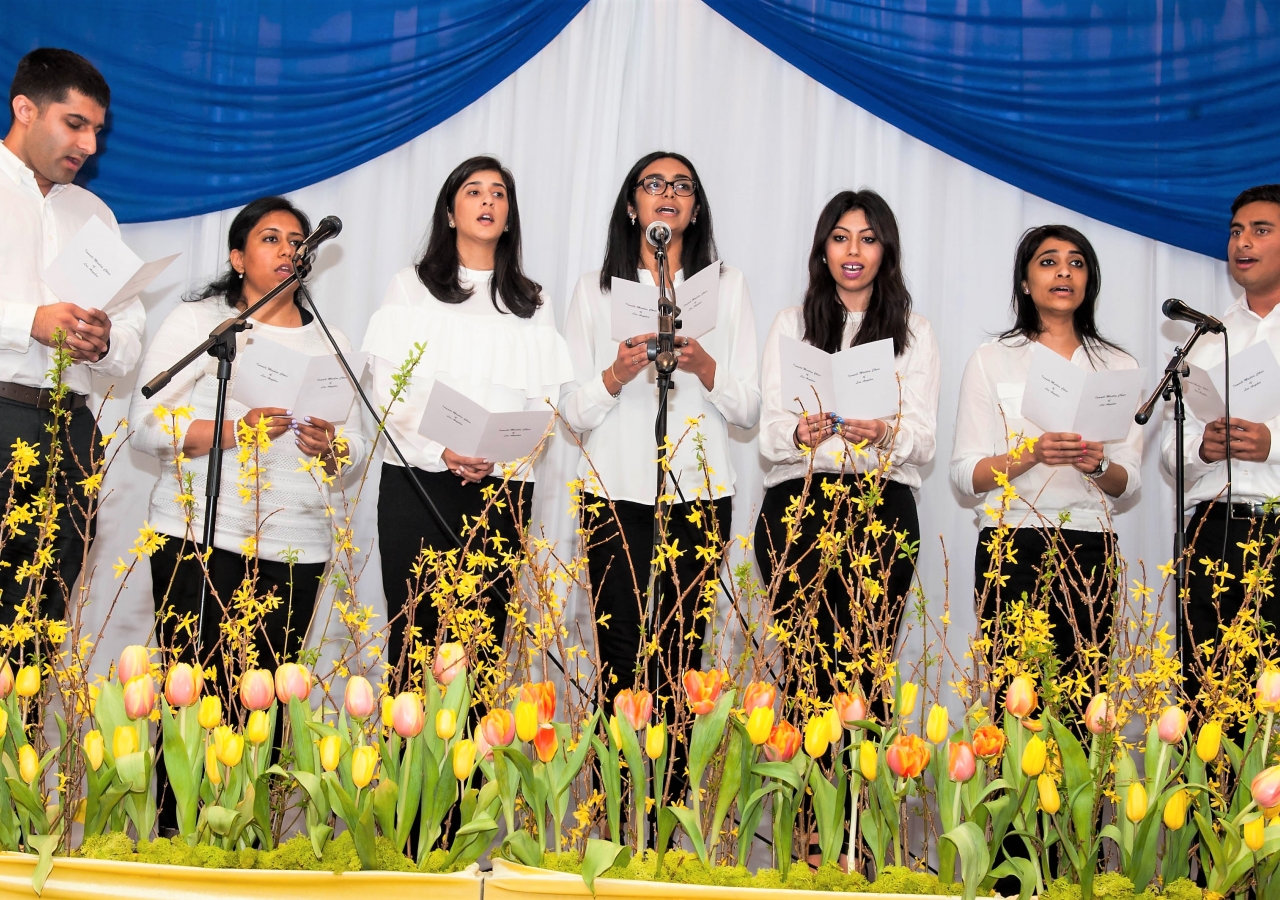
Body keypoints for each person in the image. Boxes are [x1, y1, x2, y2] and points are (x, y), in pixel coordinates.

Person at [560, 151, 760, 763]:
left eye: (681, 186)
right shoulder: (596, 291)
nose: (667, 194)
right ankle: (619, 815)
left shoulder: (725, 288)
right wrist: (616, 375)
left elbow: (749, 409)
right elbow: (571, 409)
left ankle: (666, 815)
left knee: (679, 654)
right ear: (632, 206)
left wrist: (704, 367)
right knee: (620, 655)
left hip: (698, 495)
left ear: (695, 209)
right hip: (613, 494)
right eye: (653, 184)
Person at [131, 195, 370, 672]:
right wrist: (236, 430)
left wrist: (332, 447)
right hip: (197, 536)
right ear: (238, 258)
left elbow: (356, 447)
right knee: (192, 702)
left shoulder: (332, 340)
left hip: (295, 546)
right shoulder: (203, 323)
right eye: (271, 239)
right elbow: (146, 424)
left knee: (269, 706)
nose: (288, 251)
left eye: (298, 243)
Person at [364, 156, 571, 687]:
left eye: (499, 193)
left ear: (510, 214)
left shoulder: (533, 300)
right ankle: (406, 767)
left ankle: (471, 770)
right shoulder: (411, 286)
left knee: (481, 646)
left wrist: (502, 451)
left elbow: (543, 400)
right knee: (414, 641)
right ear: (451, 212)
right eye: (474, 191)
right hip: (420, 480)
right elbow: (390, 389)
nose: (487, 201)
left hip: (501, 486)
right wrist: (442, 452)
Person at [755, 190, 938, 712]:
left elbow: (922, 441)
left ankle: (865, 795)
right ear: (823, 250)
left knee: (868, 670)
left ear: (886, 251)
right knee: (804, 672)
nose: (852, 250)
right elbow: (770, 434)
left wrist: (883, 433)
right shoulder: (791, 325)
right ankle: (808, 796)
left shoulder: (915, 333)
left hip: (882, 504)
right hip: (798, 503)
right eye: (840, 238)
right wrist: (798, 435)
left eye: (867, 238)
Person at [951, 225, 1142, 686]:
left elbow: (1130, 483)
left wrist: (1095, 464)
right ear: (1024, 281)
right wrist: (1031, 454)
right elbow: (965, 475)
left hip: (1091, 543)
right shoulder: (991, 359)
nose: (1064, 272)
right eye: (1049, 261)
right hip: (1011, 542)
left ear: (1088, 282)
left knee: (1083, 696)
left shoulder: (1118, 365)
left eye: (1077, 263)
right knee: (1013, 702)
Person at [0, 48, 145, 640]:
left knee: (42, 609)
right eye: (75, 124)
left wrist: (105, 341)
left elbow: (131, 336)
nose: (88, 145)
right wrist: (27, 322)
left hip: (71, 426)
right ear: (25, 109)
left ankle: (23, 733)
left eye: (96, 131)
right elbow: (31, 321)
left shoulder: (95, 213)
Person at [1161, 184, 1280, 719]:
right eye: (1236, 232)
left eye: (1260, 230)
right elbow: (1167, 453)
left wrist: (1272, 444)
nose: (1242, 243)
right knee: (1206, 699)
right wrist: (1202, 449)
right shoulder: (1206, 336)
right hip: (1210, 527)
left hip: (1276, 525)